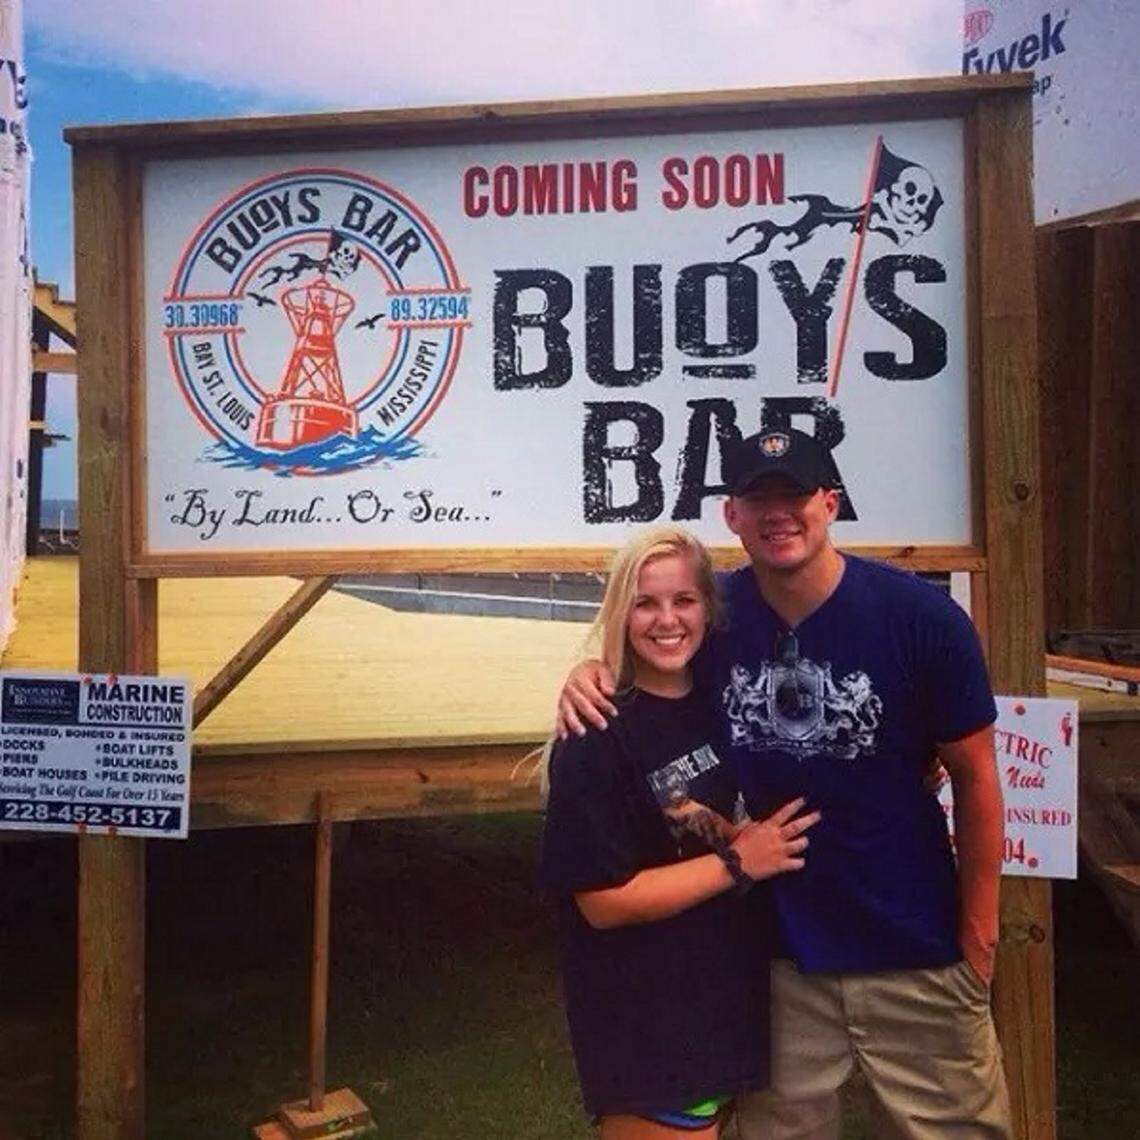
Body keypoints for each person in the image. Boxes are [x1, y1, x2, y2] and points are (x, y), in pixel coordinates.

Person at [557, 430, 1012, 1140]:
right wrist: (589, 672)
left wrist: (981, 928)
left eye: (795, 495)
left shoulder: (921, 619)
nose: (779, 513)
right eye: (756, 497)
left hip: (915, 947)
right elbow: (651, 646)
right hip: (778, 957)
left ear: (830, 503)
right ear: (732, 516)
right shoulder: (719, 619)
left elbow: (977, 775)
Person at [540, 524, 820, 1139]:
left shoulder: (725, 700)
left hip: (727, 1010)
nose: (666, 620)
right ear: (620, 611)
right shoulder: (596, 732)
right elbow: (602, 902)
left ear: (708, 608)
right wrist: (739, 862)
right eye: (645, 602)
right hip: (650, 1030)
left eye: (683, 600)